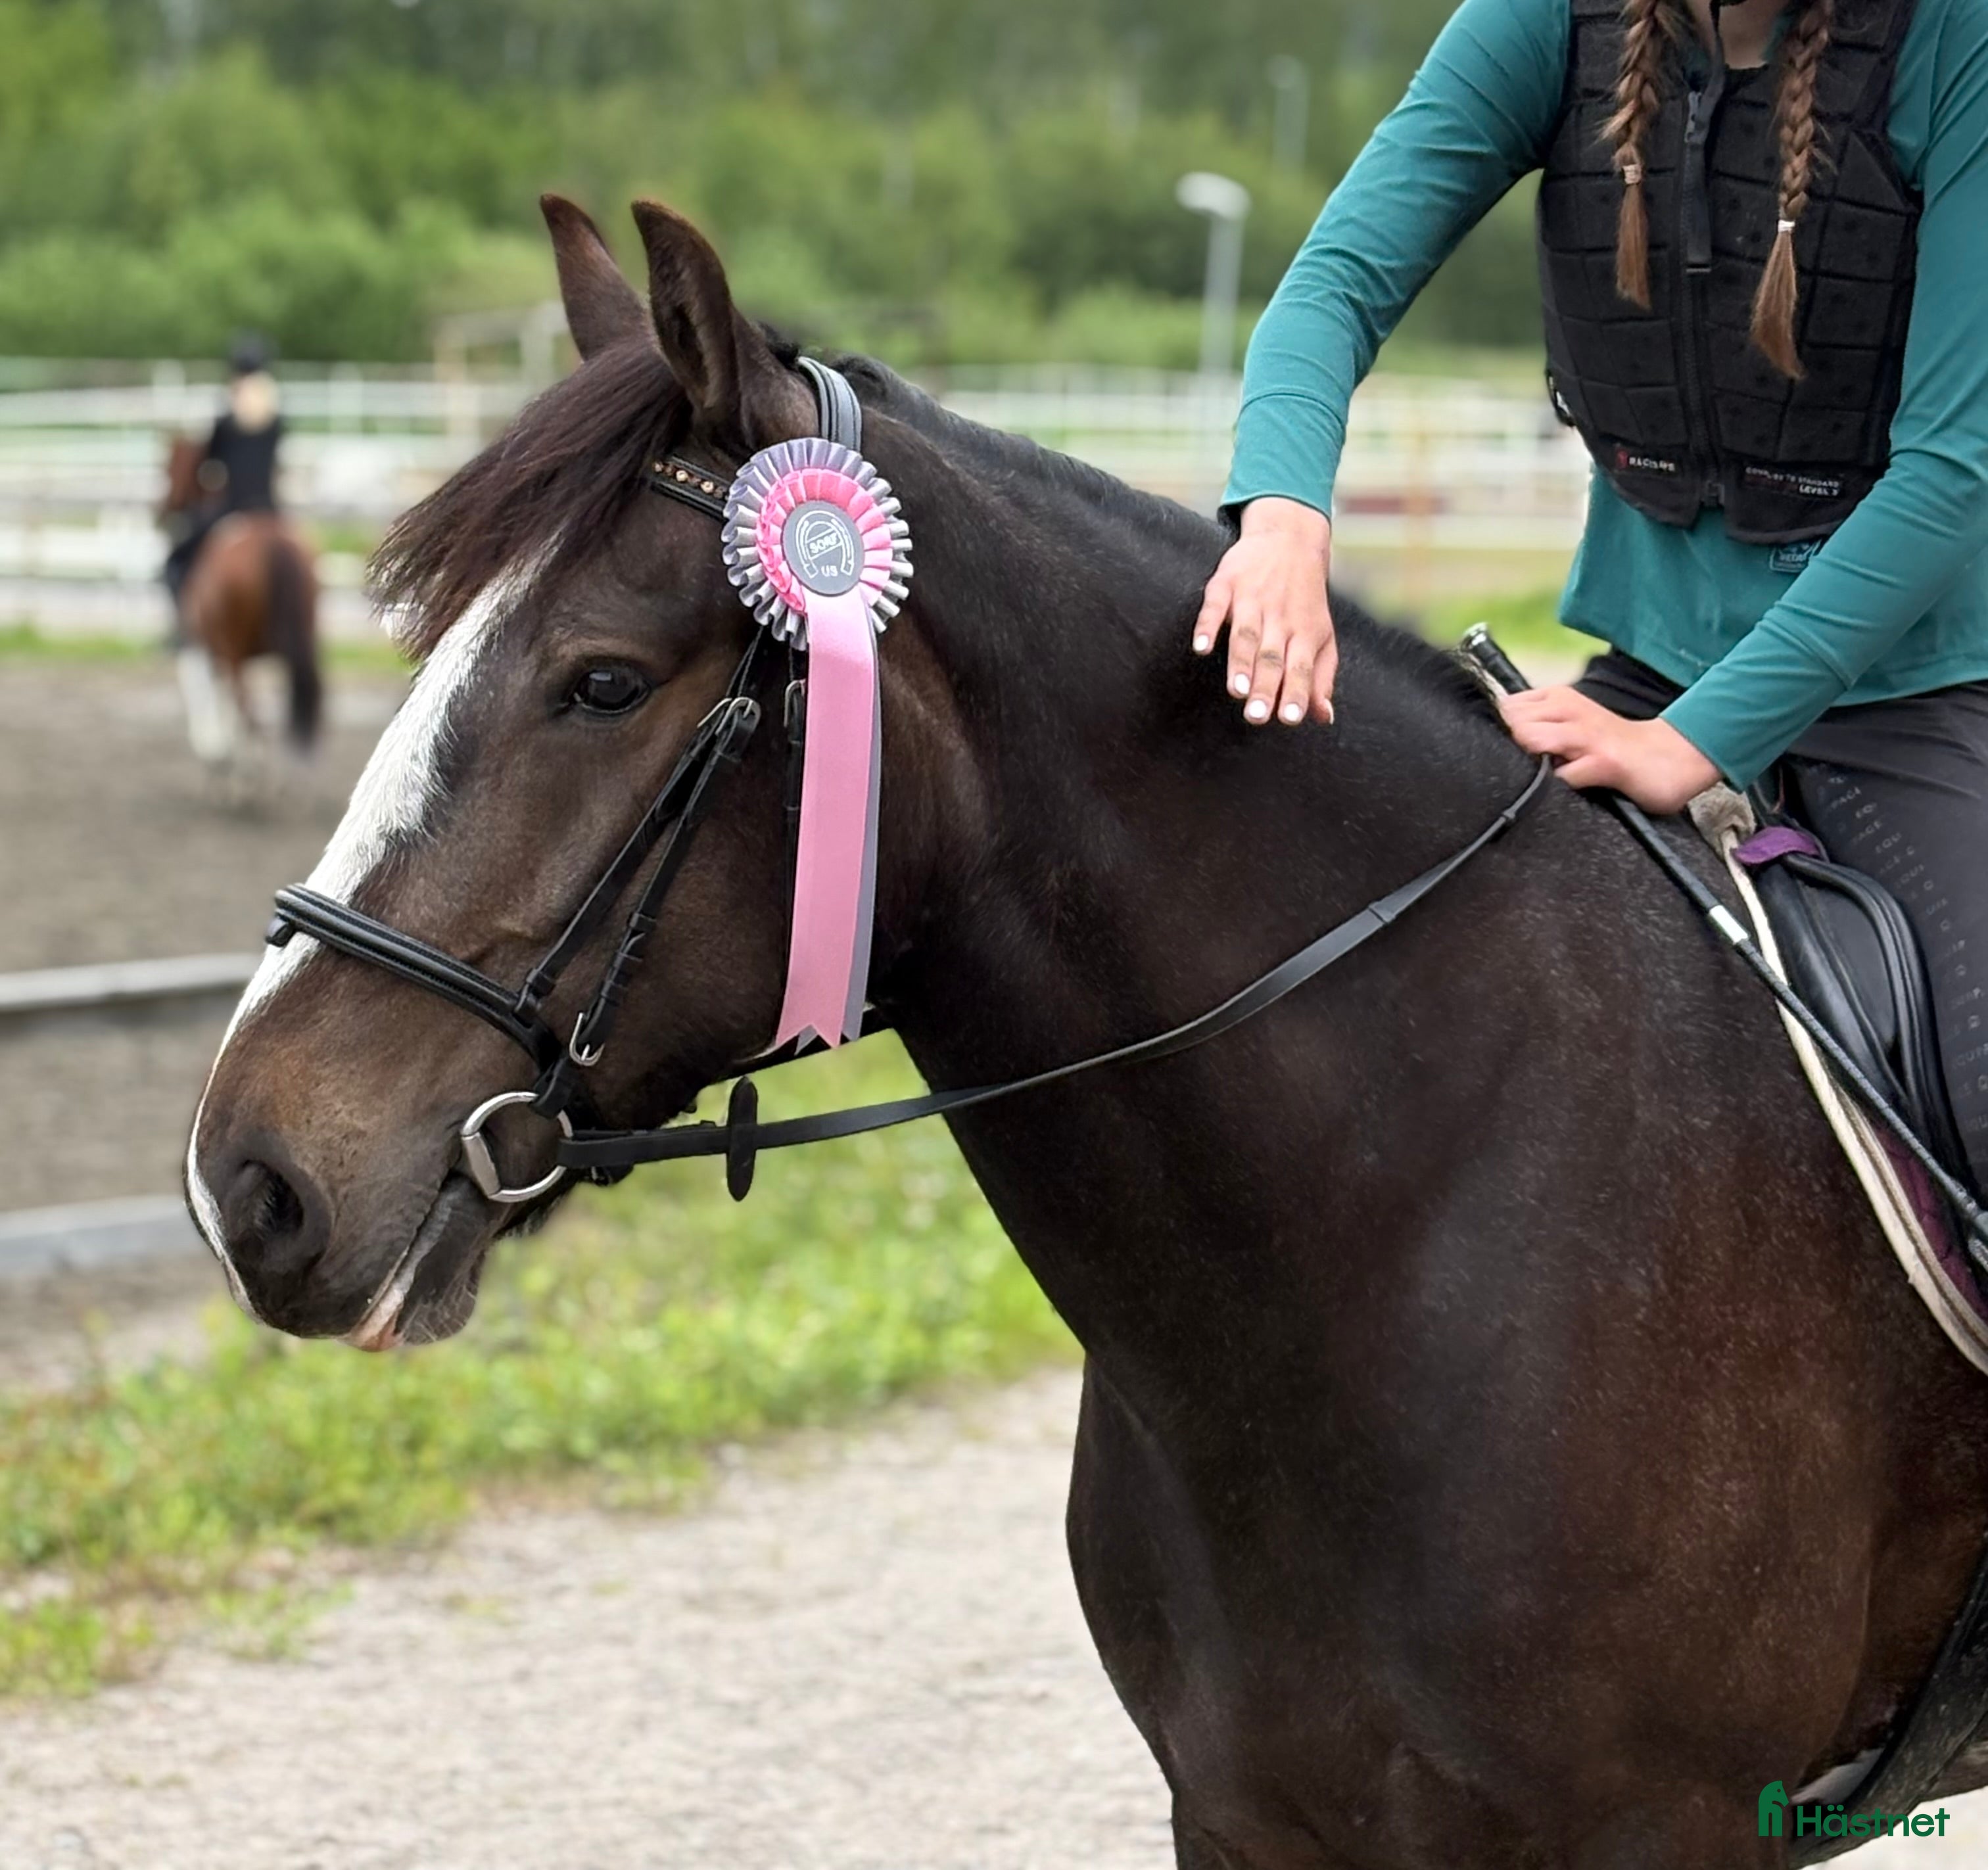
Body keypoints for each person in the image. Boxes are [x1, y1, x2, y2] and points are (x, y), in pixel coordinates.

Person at [1195, 0, 1988, 1192]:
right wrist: (1279, 518)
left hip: (1909, 687)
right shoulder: (1537, 24)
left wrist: (1694, 741)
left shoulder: (1955, 39)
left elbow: (1951, 470)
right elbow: (1334, 285)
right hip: (1646, 660)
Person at [163, 334, 285, 631]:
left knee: (177, 561)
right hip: (271, 511)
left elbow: (207, 466)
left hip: (235, 509)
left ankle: (184, 630)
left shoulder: (226, 421)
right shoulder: (277, 419)